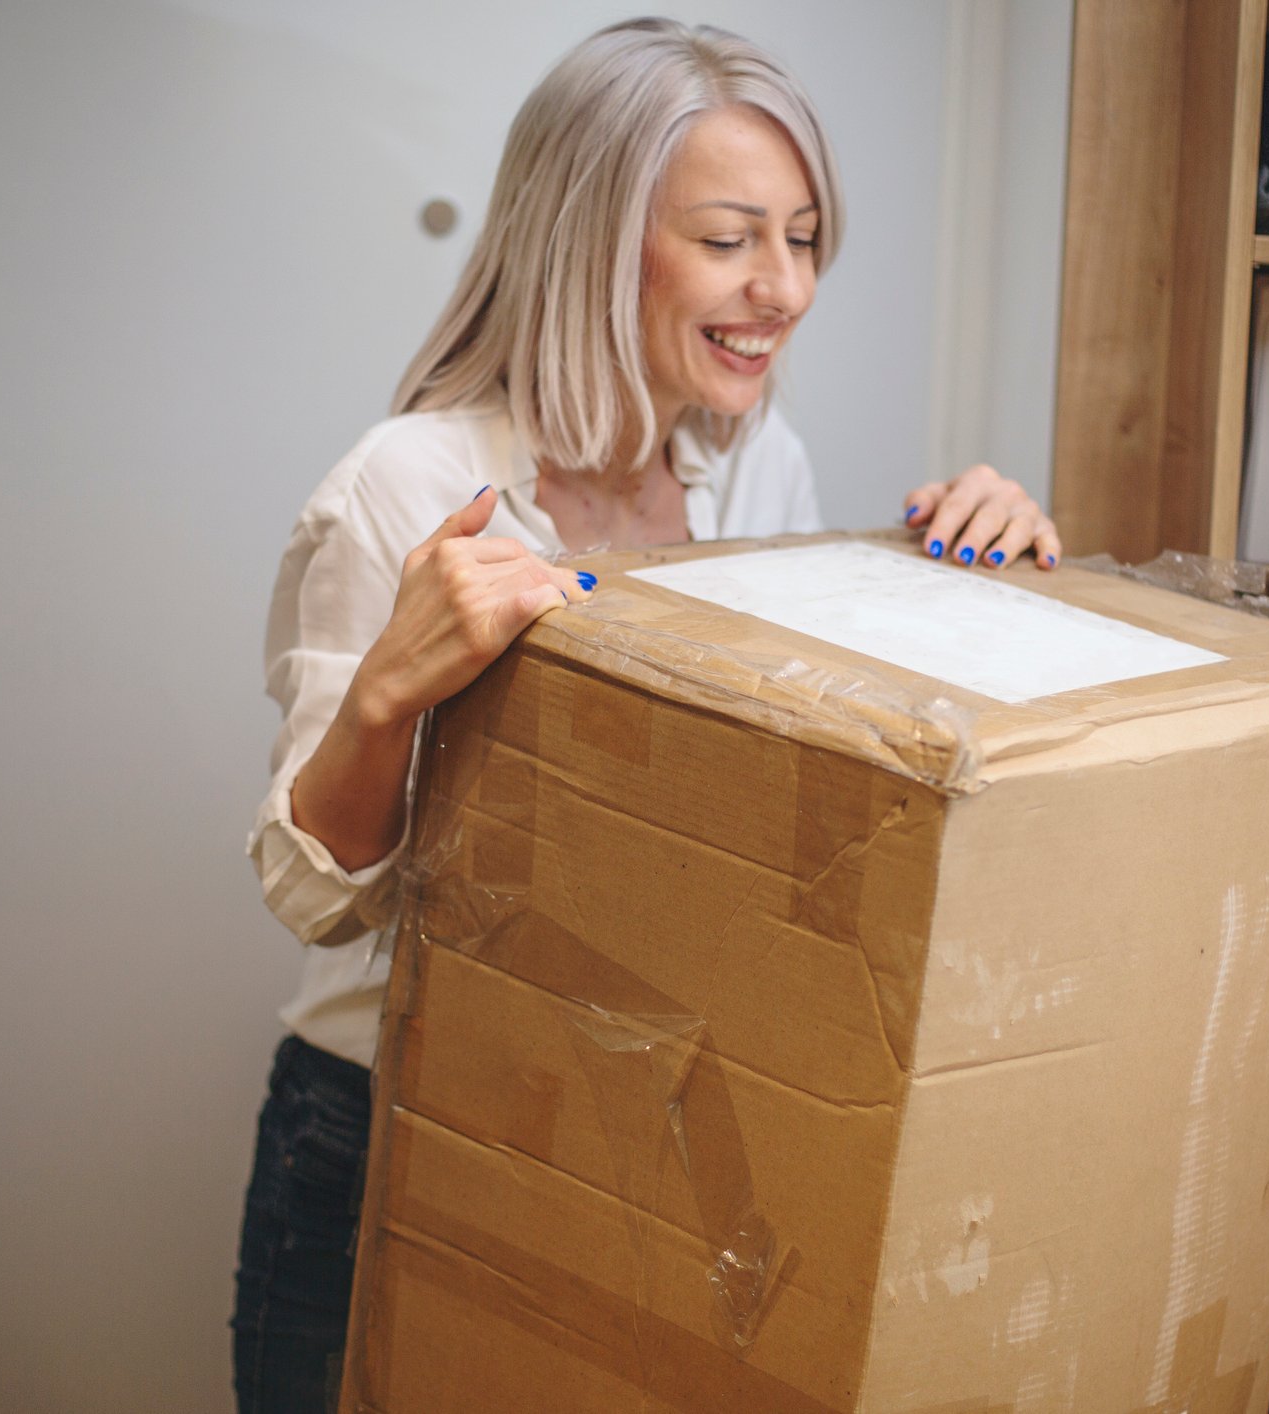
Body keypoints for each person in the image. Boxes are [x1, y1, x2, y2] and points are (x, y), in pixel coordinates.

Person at [230, 18, 1061, 1412]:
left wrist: (989, 585)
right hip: (382, 1133)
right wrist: (386, 694)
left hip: (649, 1131)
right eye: (732, 238)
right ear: (591, 240)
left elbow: (793, 818)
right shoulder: (407, 485)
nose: (782, 288)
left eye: (803, 239)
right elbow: (309, 894)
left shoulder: (754, 474)